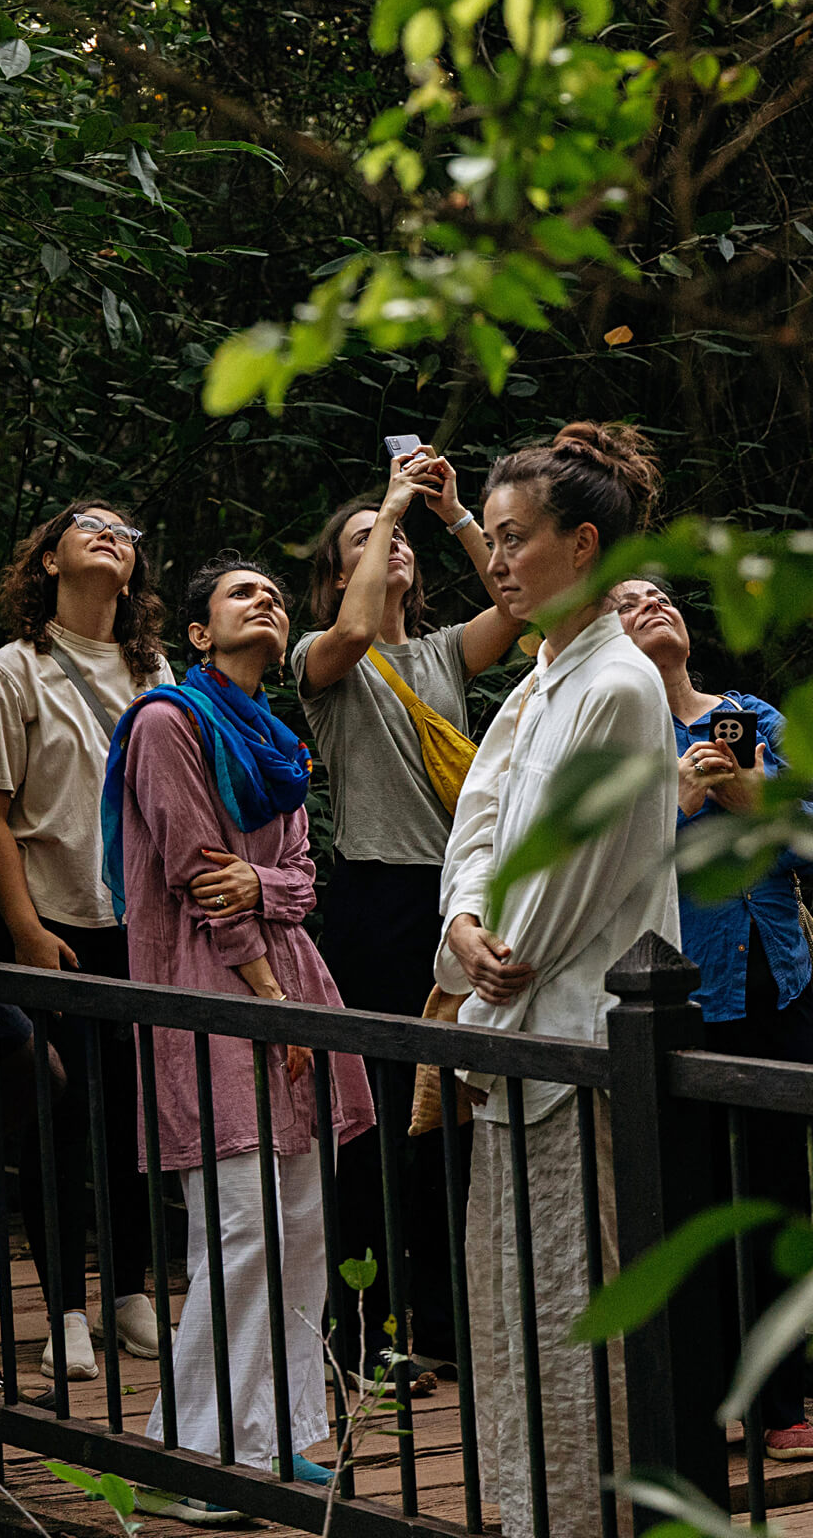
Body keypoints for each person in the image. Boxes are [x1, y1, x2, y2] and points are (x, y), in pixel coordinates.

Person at [434, 423, 679, 1538]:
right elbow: (475, 834)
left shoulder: (619, 686)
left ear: (584, 546)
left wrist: (487, 966)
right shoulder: (536, 682)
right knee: (512, 1319)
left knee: (579, 1323)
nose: (496, 560)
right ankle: (532, 1518)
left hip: (576, 1047)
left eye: (515, 538)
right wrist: (463, 926)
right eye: (488, 538)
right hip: (511, 1042)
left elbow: (564, 894)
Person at [101, 551, 374, 1525]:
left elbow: (298, 876)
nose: (266, 599)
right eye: (240, 592)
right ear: (199, 633)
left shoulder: (276, 738)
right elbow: (192, 873)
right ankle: (191, 1454)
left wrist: (265, 891)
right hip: (213, 993)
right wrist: (265, 990)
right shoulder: (170, 725)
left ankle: (283, 1430)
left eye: (274, 591)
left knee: (299, 1224)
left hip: (288, 985)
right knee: (241, 1224)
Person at [291, 447, 520, 1387]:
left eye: (389, 539)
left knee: (451, 1120)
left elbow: (526, 608)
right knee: (378, 1124)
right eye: (361, 542)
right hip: (376, 903)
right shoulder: (323, 661)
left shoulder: (440, 651)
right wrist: (386, 506)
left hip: (452, 900)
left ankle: (440, 1319)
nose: (388, 548)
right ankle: (359, 1333)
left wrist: (456, 514)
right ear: (343, 570)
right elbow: (349, 630)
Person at [0, 501, 174, 1382]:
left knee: (132, 1118)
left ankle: (129, 1291)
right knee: (58, 1119)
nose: (108, 534)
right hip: (52, 923)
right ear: (47, 559)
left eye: (123, 530)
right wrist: (22, 928)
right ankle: (63, 1310)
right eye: (87, 524)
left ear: (133, 570)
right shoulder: (14, 670)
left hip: (139, 928)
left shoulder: (154, 668)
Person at [613, 576, 813, 1460]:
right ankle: (696, 1392)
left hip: (776, 980)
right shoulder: (615, 730)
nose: (651, 604)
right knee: (683, 1193)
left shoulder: (752, 717)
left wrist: (748, 800)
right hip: (672, 990)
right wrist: (681, 801)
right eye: (625, 600)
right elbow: (595, 867)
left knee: (776, 1188)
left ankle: (781, 1398)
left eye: (661, 596)